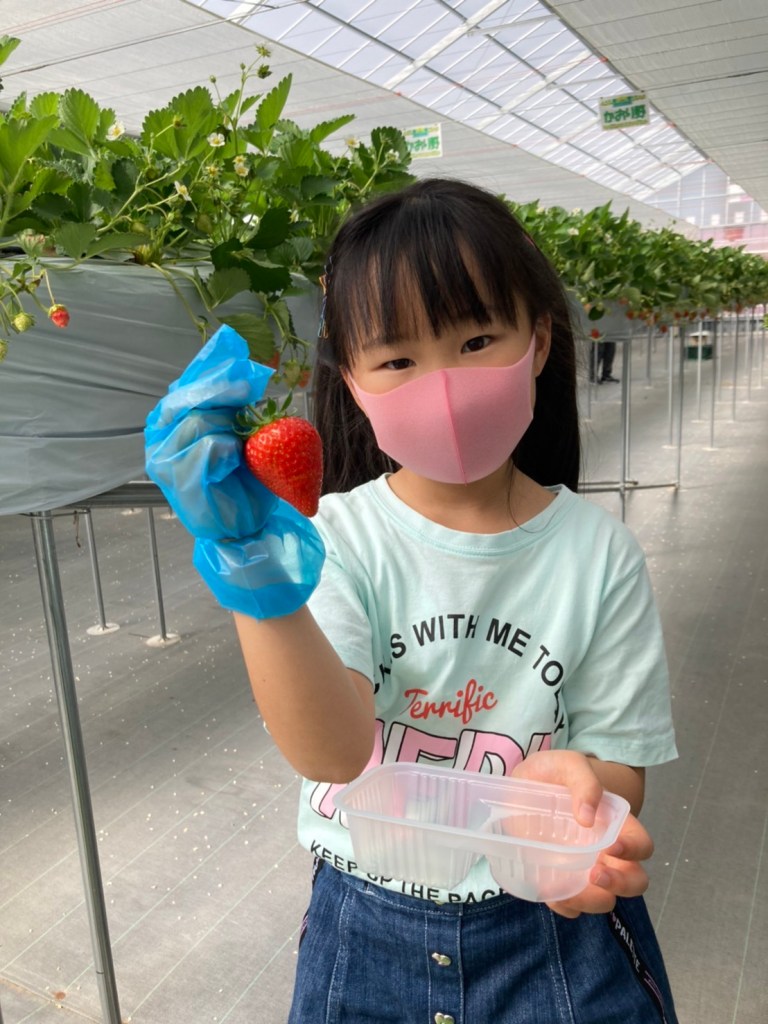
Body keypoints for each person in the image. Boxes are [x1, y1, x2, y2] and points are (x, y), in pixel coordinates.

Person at [145, 178, 678, 1023]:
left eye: (477, 340)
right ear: (353, 381)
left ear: (539, 341)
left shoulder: (599, 555)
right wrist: (255, 573)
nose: (445, 386)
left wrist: (577, 788)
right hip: (365, 925)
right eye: (398, 360)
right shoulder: (339, 538)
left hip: (547, 923)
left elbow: (620, 766)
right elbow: (332, 751)